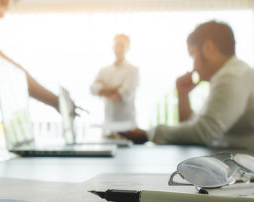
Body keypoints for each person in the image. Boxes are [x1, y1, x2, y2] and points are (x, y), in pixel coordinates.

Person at [122, 20, 254, 149]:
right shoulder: (232, 74)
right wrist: (183, 93)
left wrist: (150, 133)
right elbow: (193, 126)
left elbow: (203, 133)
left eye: (193, 55)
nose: (194, 66)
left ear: (209, 48)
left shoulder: (231, 77)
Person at [91, 34, 139, 133]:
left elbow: (119, 95)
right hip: (108, 126)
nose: (118, 49)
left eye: (122, 45)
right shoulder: (104, 70)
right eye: (116, 45)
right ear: (112, 47)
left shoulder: (133, 71)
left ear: (128, 48)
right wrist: (117, 88)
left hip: (128, 127)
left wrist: (104, 89)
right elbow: (93, 89)